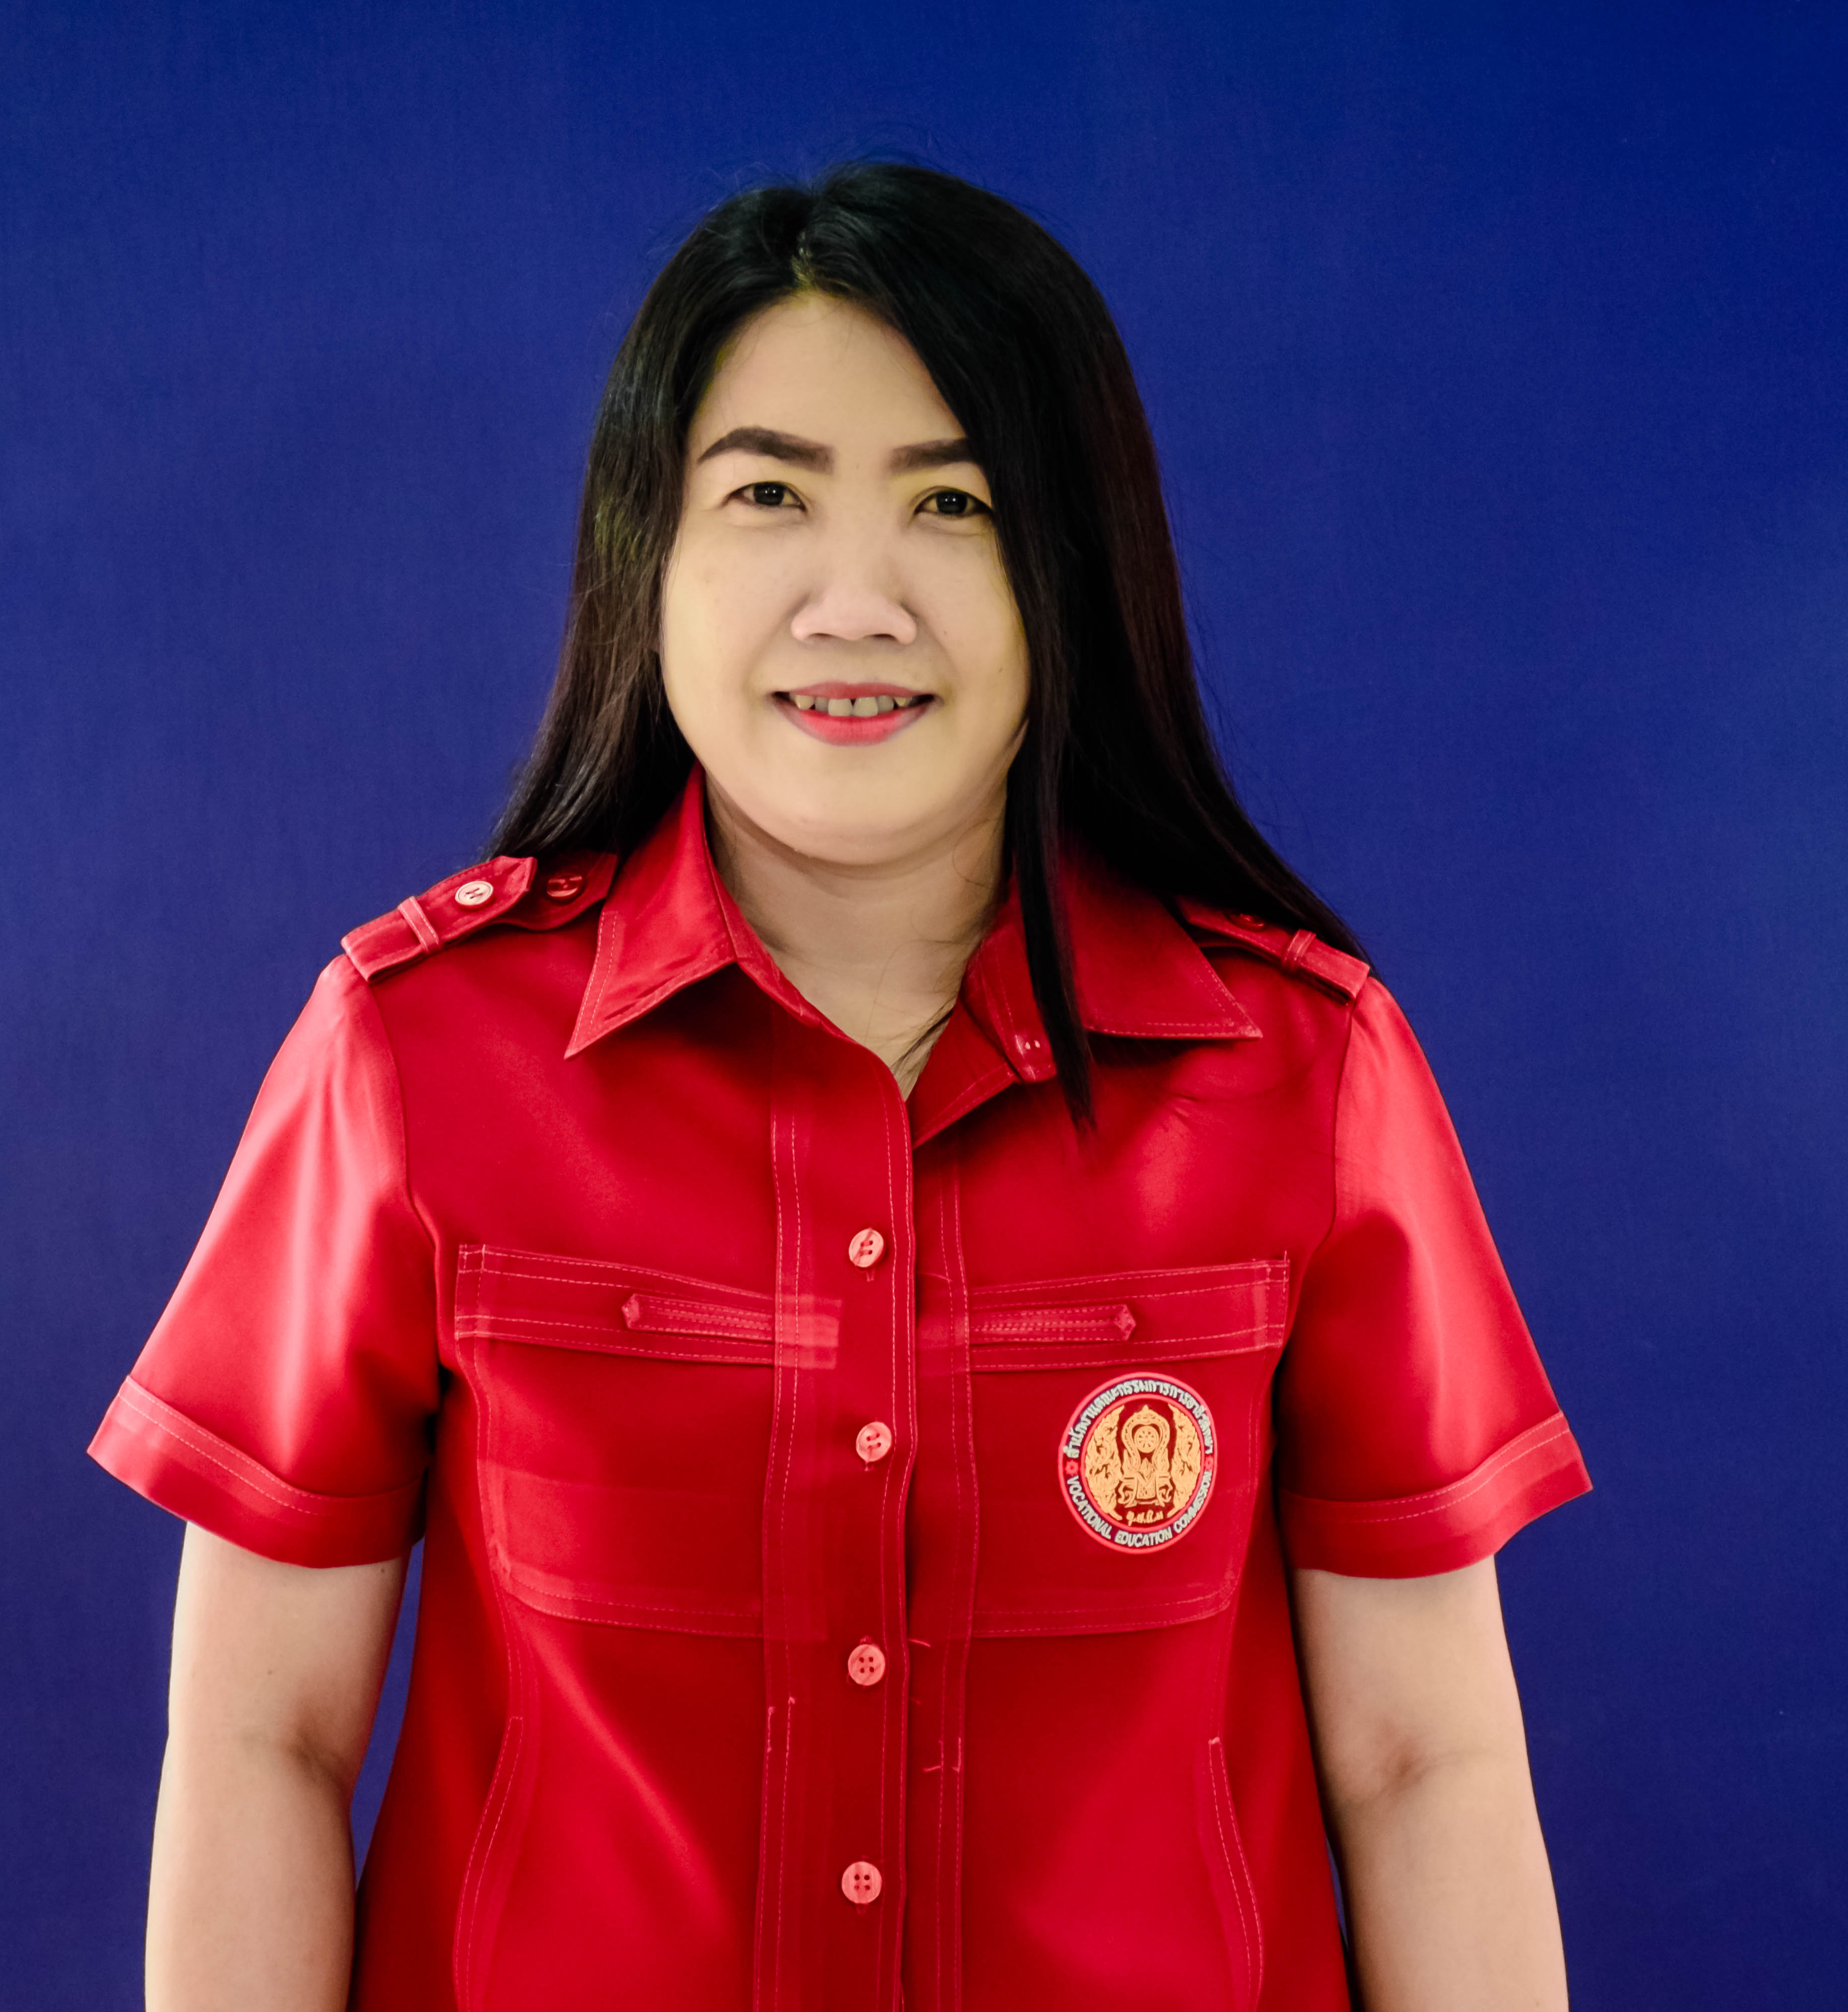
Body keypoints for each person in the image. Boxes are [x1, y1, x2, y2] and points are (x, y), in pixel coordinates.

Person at [91, 162, 1590, 2012]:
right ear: (648, 557)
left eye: (953, 504)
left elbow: (1425, 1765)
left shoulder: (1301, 1073)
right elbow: (266, 1743)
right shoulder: (413, 1056)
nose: (855, 602)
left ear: (1071, 570)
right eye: (769, 496)